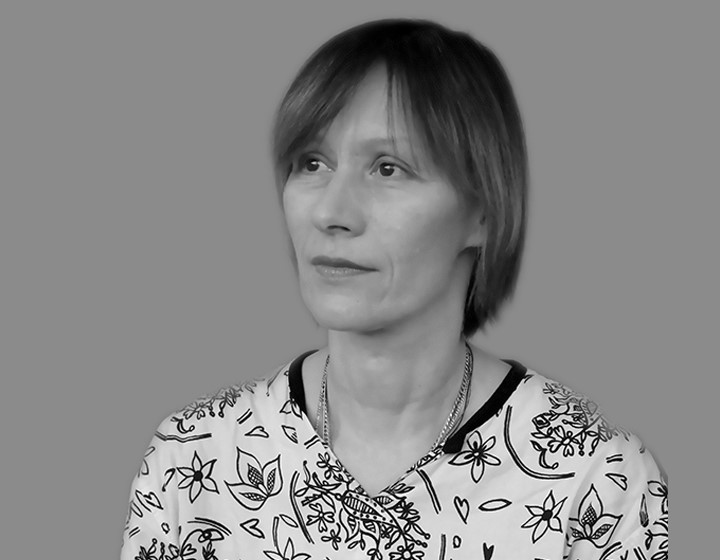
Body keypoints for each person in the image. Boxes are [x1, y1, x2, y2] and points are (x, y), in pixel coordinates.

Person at [120, 19, 668, 560]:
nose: (331, 212)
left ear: (484, 211)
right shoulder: (191, 461)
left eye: (388, 168)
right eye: (312, 163)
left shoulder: (596, 479)